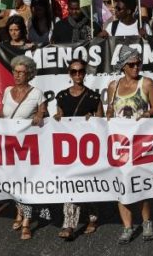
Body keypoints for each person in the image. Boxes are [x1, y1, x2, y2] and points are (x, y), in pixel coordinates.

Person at [0, 55, 46, 239]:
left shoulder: (37, 93)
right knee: (14, 181)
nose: (17, 75)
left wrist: (39, 116)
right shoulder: (8, 90)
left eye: (21, 72)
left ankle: (27, 222)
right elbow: (3, 113)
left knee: (26, 183)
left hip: (28, 146)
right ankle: (19, 212)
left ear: (29, 74)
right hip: (10, 144)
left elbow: (43, 112)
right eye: (15, 71)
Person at [105, 47, 153, 244]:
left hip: (139, 142)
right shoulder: (113, 86)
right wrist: (109, 114)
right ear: (123, 67)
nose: (136, 67)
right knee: (121, 185)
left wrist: (146, 114)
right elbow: (110, 108)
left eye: (138, 64)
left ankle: (146, 222)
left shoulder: (147, 83)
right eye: (131, 64)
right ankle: (127, 227)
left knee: (139, 182)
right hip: (119, 143)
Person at [53, 57, 103, 240]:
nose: (77, 75)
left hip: (88, 150)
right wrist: (57, 117)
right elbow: (59, 115)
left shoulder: (93, 97)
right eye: (73, 71)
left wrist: (94, 119)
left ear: (85, 73)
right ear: (69, 73)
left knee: (88, 184)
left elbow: (101, 121)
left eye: (80, 71)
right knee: (71, 185)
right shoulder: (62, 96)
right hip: (69, 150)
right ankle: (69, 224)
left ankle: (93, 218)